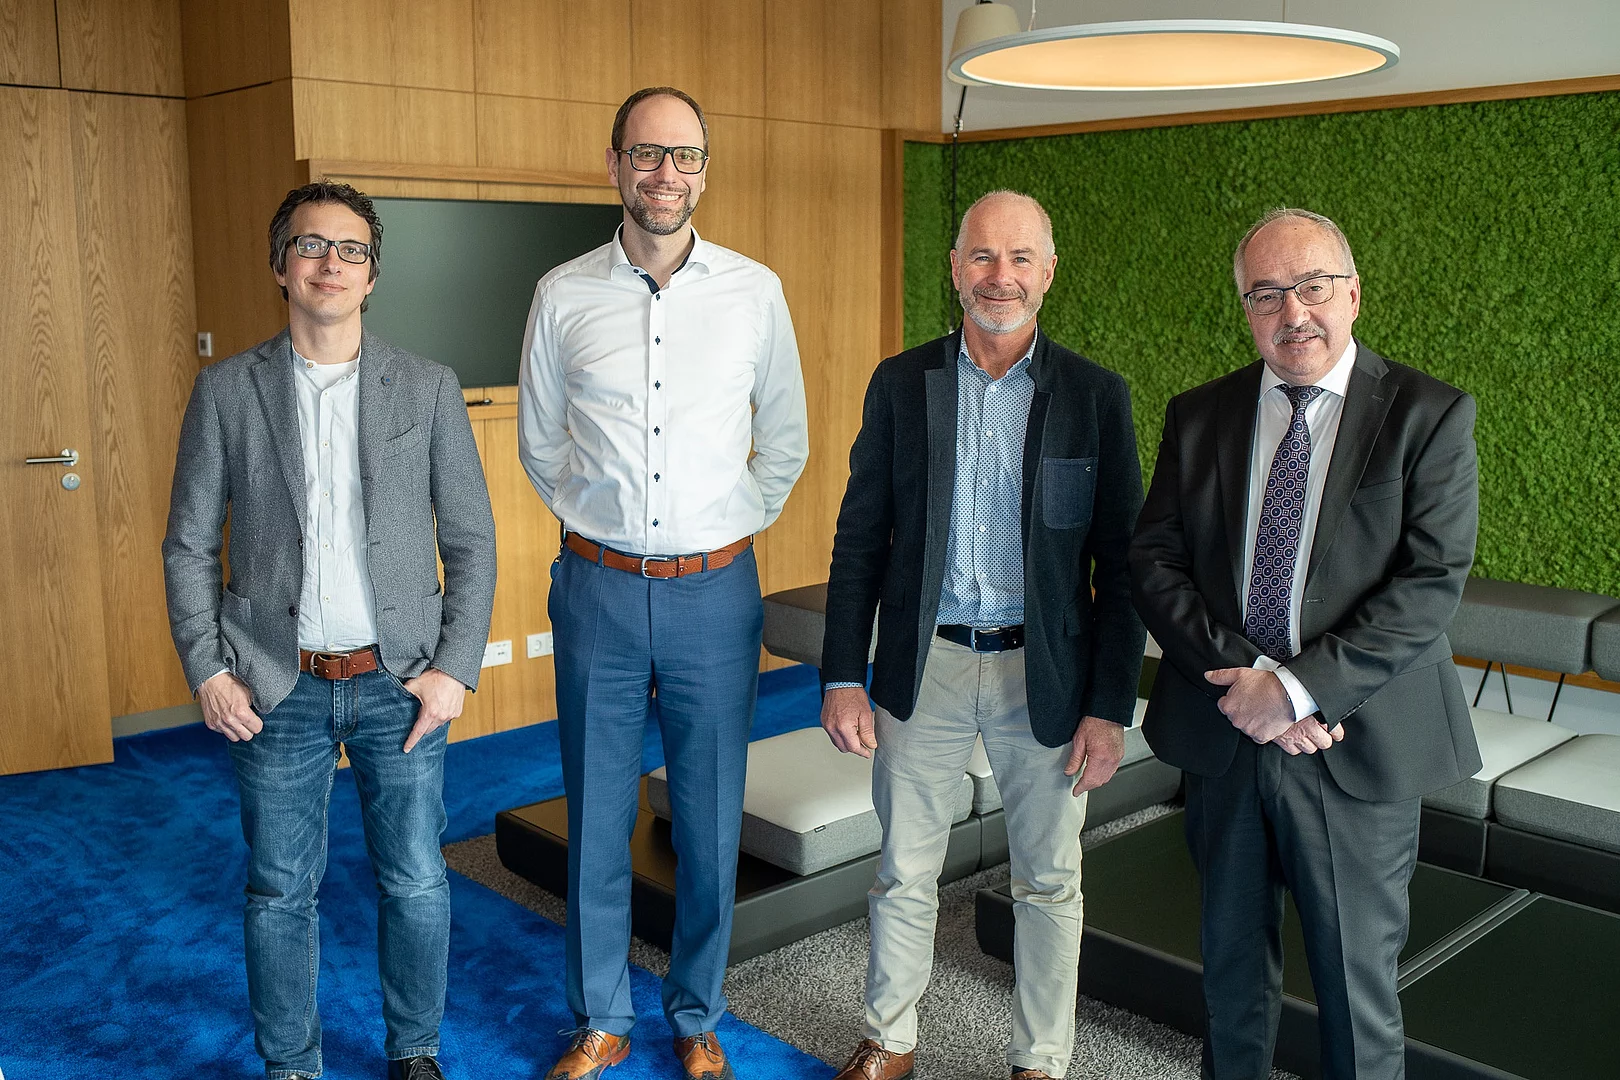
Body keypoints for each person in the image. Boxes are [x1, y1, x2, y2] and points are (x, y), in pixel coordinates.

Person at [1129, 207, 1481, 1079]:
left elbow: (1429, 584)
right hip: (1226, 736)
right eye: (1266, 294)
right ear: (1246, 310)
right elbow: (1156, 561)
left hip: (1356, 744)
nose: (1294, 312)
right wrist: (1251, 685)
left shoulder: (1428, 414)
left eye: (1313, 286)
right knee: (1230, 978)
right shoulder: (1199, 415)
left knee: (1357, 995)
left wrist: (1294, 692)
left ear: (1352, 294)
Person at [163, 181, 497, 1080]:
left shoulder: (427, 387)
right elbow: (189, 543)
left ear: (372, 275)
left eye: (351, 250)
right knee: (279, 890)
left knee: (416, 878)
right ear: (281, 266)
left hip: (401, 683)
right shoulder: (227, 390)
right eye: (311, 245)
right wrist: (208, 668)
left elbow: (471, 539)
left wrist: (454, 668)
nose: (330, 263)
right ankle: (292, 1065)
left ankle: (415, 1052)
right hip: (275, 685)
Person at [818, 190, 1145, 1080]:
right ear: (956, 268)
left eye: (1020, 257)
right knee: (902, 868)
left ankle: (1041, 1061)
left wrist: (1109, 707)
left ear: (1049, 272)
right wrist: (842, 674)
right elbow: (859, 539)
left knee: (1050, 880)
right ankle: (889, 1041)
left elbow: (1122, 568)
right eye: (983, 256)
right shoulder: (901, 385)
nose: (1001, 275)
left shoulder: (1096, 396)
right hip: (924, 664)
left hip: (1046, 672)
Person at [517, 85, 808, 1080]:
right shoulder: (562, 294)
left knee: (709, 818)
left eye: (684, 156)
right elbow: (540, 444)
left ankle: (696, 1012)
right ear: (615, 166)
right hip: (597, 587)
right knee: (596, 814)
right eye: (647, 154)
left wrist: (720, 526)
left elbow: (786, 440)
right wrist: (602, 522)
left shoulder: (754, 292)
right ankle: (601, 1016)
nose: (665, 174)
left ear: (704, 172)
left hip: (715, 595)